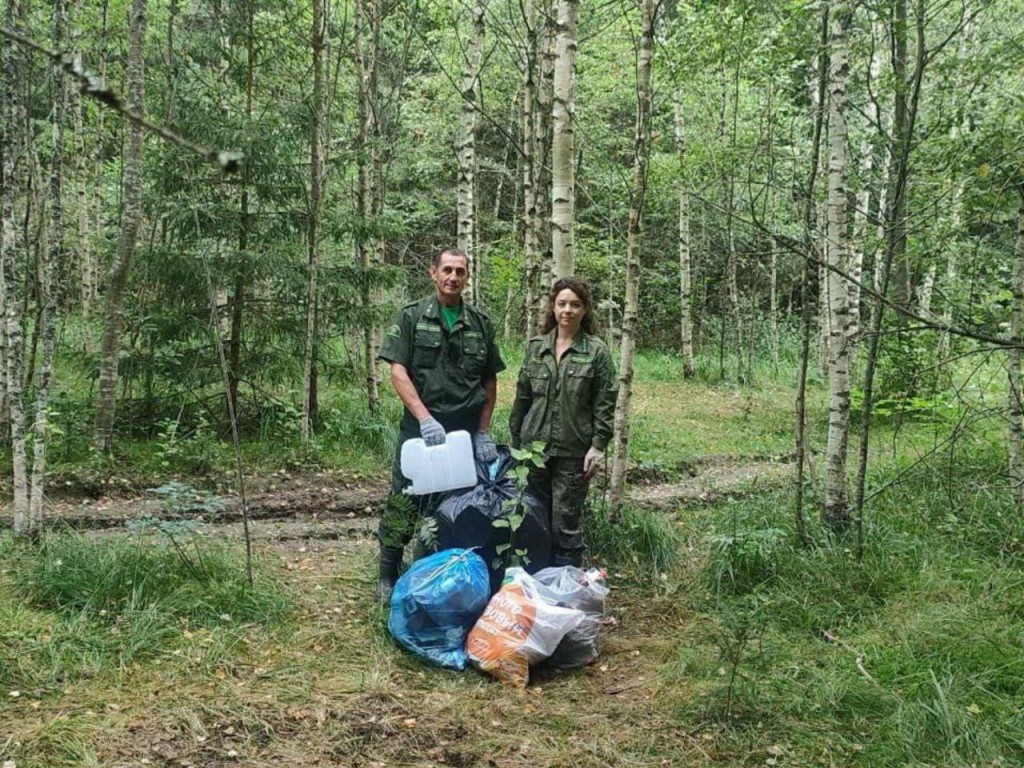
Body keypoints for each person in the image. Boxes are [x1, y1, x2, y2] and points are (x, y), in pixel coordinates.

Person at [374, 247, 505, 601]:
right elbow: (398, 371)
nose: (453, 277)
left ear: (467, 277)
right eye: (446, 270)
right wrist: (424, 417)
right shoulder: (412, 317)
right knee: (406, 497)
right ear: (433, 273)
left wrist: (482, 431)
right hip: (421, 426)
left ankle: (437, 569)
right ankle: (388, 572)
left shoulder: (480, 323)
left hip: (463, 429)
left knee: (457, 502)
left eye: (460, 272)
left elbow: (490, 381)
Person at [509, 277, 618, 568]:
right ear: (553, 308)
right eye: (562, 304)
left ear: (585, 310)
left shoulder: (596, 352)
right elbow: (522, 398)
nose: (567, 310)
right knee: (533, 517)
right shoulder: (536, 348)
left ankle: (566, 589)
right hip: (534, 450)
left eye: (575, 304)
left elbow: (605, 403)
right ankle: (536, 586)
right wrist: (515, 443)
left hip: (574, 453)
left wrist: (598, 446)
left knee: (565, 523)